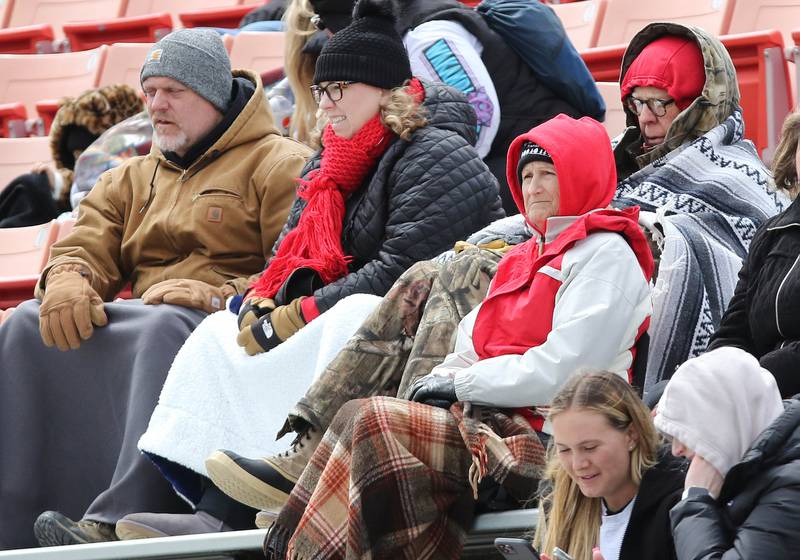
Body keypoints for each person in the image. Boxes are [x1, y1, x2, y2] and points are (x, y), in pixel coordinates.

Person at [109, 0, 504, 539]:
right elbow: (291, 252)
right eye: (320, 91)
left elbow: (405, 268)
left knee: (351, 318)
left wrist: (307, 310)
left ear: (382, 89)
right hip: (365, 309)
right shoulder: (328, 163)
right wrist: (264, 298)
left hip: (433, 321)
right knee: (223, 330)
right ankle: (215, 502)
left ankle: (296, 473)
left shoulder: (438, 152)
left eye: (337, 90)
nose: (324, 104)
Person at [251, 114, 654, 559]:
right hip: (489, 422)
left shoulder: (606, 254)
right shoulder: (524, 257)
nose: (534, 186)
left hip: (552, 442)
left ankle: (299, 543)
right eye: (527, 175)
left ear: (582, 175)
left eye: (548, 174)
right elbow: (469, 343)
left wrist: (459, 385)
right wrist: (443, 381)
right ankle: (298, 538)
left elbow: (566, 373)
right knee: (358, 413)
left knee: (377, 421)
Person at [0, 28, 311, 550]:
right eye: (150, 92)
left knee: (163, 326)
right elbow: (84, 247)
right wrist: (69, 279)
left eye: (173, 91)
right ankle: (14, 517)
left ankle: (126, 514)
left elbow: (298, 268)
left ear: (212, 95)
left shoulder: (280, 163)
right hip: (151, 312)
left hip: (227, 325)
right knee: (27, 323)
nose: (156, 105)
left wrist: (219, 294)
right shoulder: (129, 177)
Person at [610, 23, 787, 393]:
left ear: (701, 105)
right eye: (637, 102)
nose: (645, 117)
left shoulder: (744, 179)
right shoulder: (612, 158)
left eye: (660, 102)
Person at [303, 0, 591, 214]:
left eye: (323, 24)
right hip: (504, 153)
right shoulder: (405, 28)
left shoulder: (427, 37)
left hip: (533, 158)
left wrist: (437, 174)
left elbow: (478, 120)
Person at [654, 346, 800, 558]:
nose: (676, 450)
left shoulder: (791, 488)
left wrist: (695, 501)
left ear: (722, 421)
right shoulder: (748, 470)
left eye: (684, 431)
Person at [533, 371, 684, 560]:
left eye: (590, 447)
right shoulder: (559, 498)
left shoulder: (677, 504)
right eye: (564, 450)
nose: (578, 464)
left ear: (631, 435)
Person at [705, 111, 800, 397]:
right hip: (756, 396)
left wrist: (751, 383)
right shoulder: (773, 233)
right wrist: (706, 380)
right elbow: (734, 332)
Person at [0, 84, 143, 227]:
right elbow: (82, 186)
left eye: (89, 155)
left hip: (102, 229)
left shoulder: (138, 176)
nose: (82, 163)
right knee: (31, 184)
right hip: (75, 223)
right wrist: (58, 183)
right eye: (76, 157)